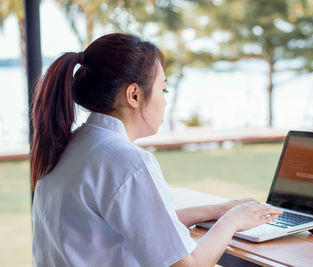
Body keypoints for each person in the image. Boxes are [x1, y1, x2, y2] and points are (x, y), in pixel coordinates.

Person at [31, 33, 282, 267]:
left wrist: (216, 210)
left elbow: (141, 222)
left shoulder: (72, 145)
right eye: (163, 89)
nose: (164, 101)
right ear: (134, 94)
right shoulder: (126, 161)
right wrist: (234, 220)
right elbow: (187, 264)